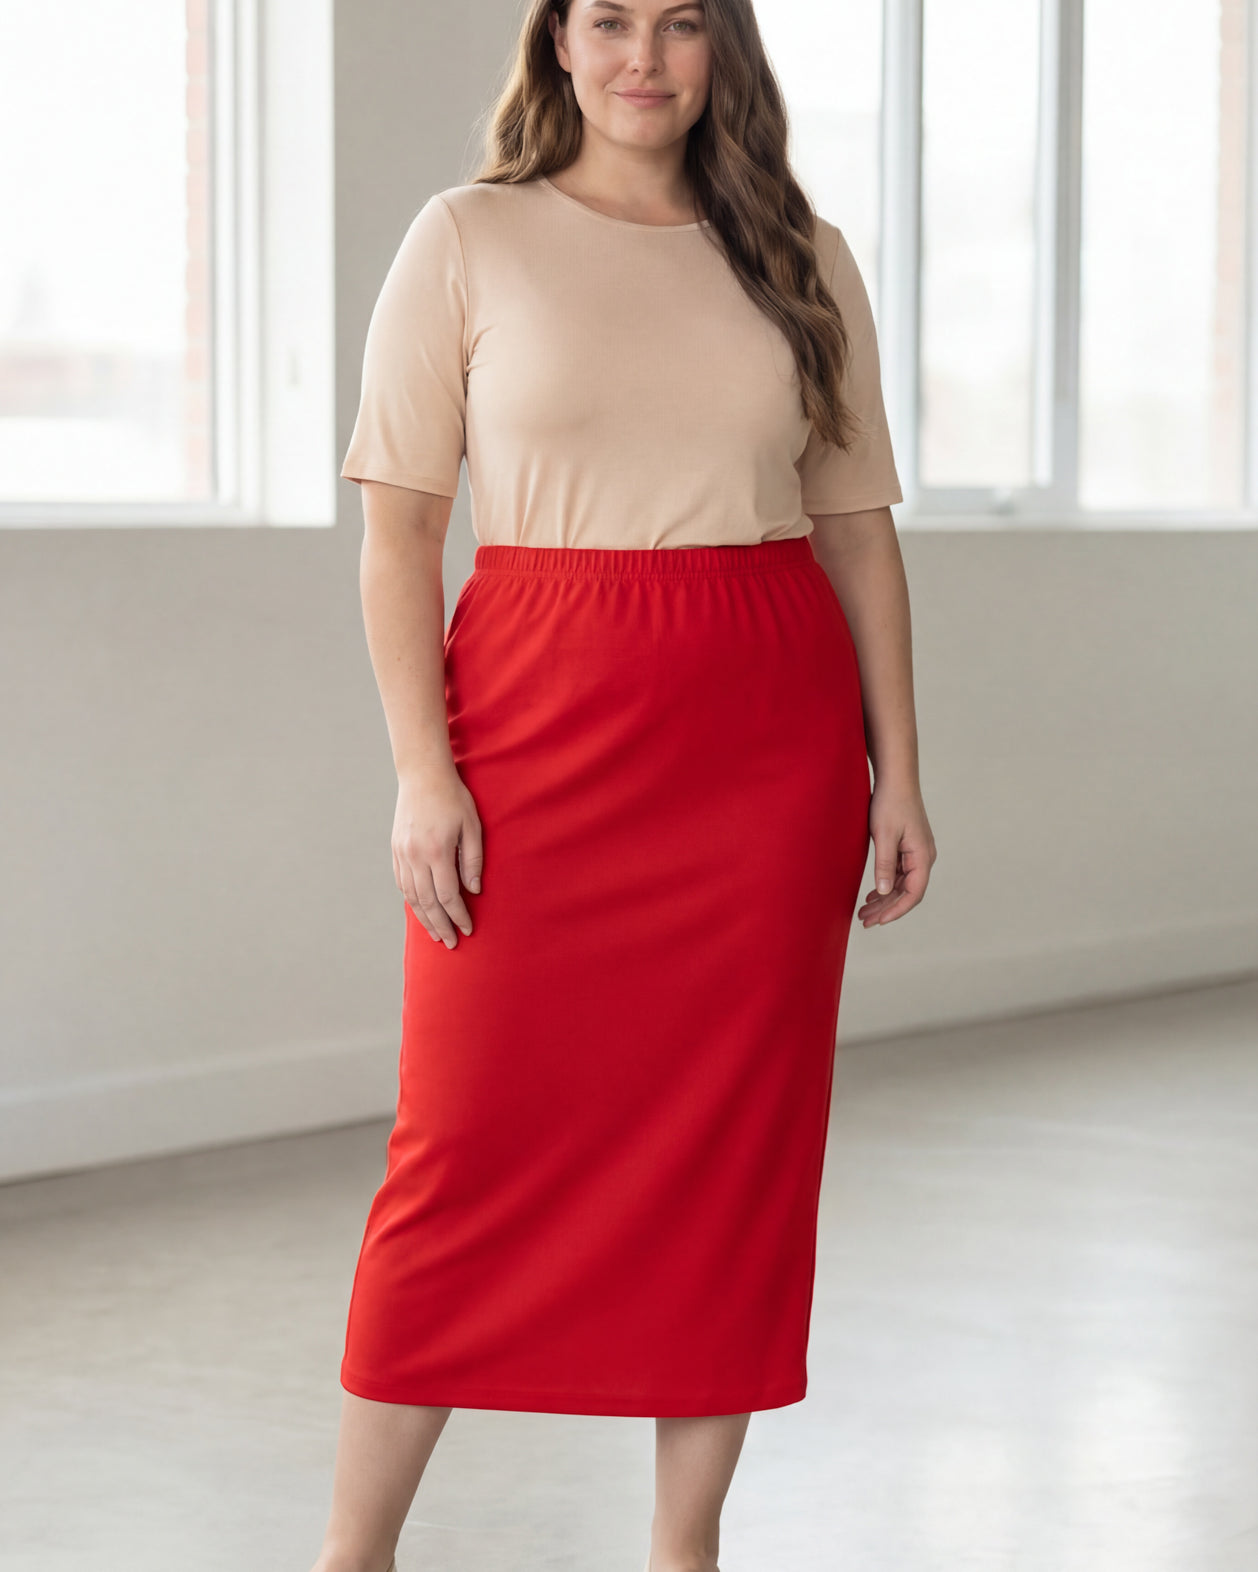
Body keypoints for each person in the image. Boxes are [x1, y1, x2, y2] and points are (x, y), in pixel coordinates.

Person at [315, 2, 937, 1569]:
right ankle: (351, 1552)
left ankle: (682, 1549)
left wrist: (900, 773)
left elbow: (855, 526)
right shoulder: (467, 237)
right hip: (534, 707)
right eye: (607, 18)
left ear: (723, 48)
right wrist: (421, 772)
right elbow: (398, 530)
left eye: (679, 23)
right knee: (456, 1143)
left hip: (761, 738)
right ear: (557, 43)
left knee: (733, 1149)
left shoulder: (799, 253)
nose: (641, 55)